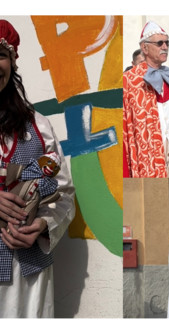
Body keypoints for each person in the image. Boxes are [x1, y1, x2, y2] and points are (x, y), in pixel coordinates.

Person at [0, 20, 75, 317]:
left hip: (27, 273)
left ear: (12, 61)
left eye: (0, 54)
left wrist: (44, 226)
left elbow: (64, 193)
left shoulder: (38, 124)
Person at [123, 21, 169, 177]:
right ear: (144, 48)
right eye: (159, 43)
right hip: (147, 151)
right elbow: (126, 124)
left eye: (167, 42)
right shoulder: (129, 80)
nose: (165, 47)